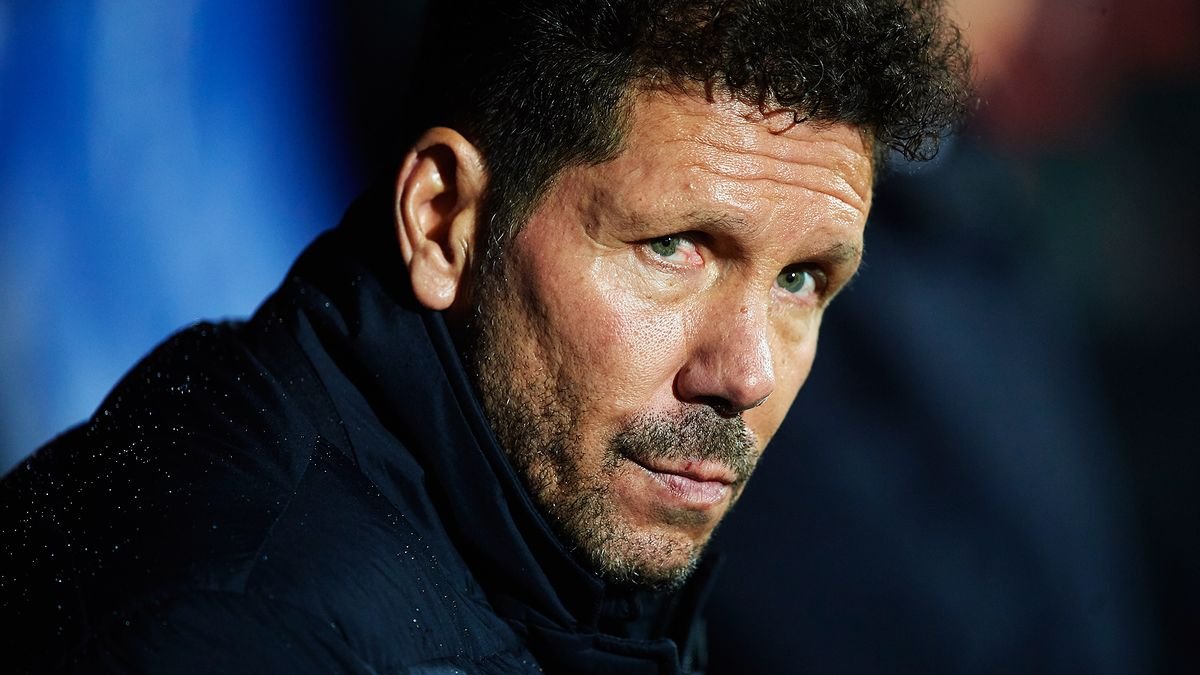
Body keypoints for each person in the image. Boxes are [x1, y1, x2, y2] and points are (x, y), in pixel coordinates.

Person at [0, 0, 970, 672]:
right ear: (443, 221)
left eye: (803, 279)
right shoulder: (239, 629)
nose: (746, 373)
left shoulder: (568, 552)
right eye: (674, 247)